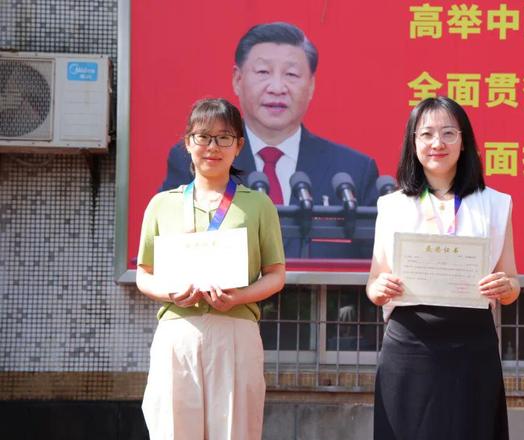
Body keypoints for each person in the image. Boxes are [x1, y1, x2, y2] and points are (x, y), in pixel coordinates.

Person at [366, 96, 520, 439]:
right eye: (427, 134)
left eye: (449, 133)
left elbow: (512, 281)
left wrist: (506, 287)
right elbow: (374, 283)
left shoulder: (495, 203)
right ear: (413, 143)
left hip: (472, 346)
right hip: (409, 345)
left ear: (464, 142)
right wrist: (378, 289)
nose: (438, 143)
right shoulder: (391, 206)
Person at [159, 22, 380, 258]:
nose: (277, 88)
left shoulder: (354, 171)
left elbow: (375, 263)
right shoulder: (197, 159)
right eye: (263, 72)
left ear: (311, 85)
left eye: (291, 74)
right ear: (238, 80)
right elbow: (167, 247)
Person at [136, 98, 285, 440]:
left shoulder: (258, 204)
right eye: (203, 137)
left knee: (234, 430)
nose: (212, 147)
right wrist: (169, 292)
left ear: (239, 146)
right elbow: (144, 272)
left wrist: (239, 297)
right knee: (173, 430)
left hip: (235, 330)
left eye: (224, 137)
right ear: (188, 143)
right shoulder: (162, 204)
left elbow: (276, 274)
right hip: (179, 331)